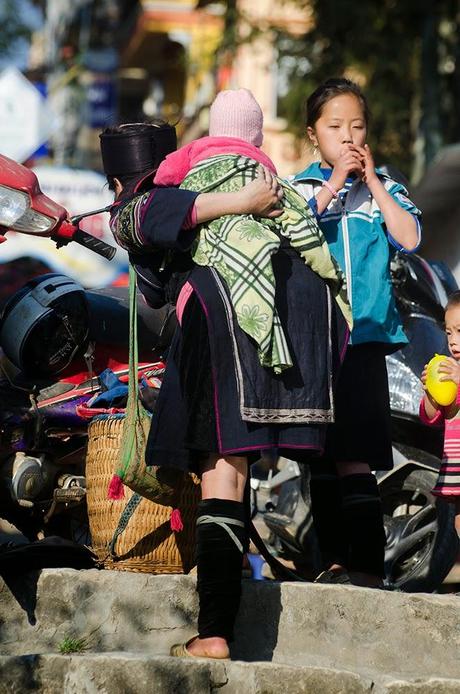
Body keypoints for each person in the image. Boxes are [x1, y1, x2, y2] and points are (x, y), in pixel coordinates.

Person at [100, 115, 349, 659]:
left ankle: (213, 633)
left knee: (223, 476)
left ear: (121, 181)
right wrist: (245, 199)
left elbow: (142, 220)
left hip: (222, 319)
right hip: (305, 318)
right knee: (303, 462)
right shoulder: (265, 187)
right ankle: (341, 569)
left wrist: (228, 202)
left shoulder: (151, 199)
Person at [290, 77, 421, 588]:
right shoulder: (300, 188)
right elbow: (288, 236)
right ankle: (331, 561)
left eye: (358, 127)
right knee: (319, 459)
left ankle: (366, 566)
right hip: (314, 342)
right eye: (335, 126)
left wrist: (374, 186)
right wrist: (329, 188)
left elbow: (409, 238)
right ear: (312, 134)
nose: (348, 137)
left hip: (364, 339)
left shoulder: (384, 188)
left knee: (356, 458)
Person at [420, 291, 460, 538]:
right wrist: (431, 394)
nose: (453, 341)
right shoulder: (447, 368)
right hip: (456, 464)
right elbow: (430, 417)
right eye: (449, 333)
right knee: (458, 523)